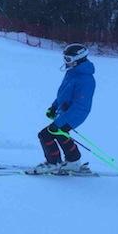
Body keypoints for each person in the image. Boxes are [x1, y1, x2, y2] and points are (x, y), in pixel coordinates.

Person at [34, 43, 96, 173]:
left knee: (45, 135)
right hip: (66, 112)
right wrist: (54, 107)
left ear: (79, 59)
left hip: (76, 114)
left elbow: (80, 105)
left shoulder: (86, 79)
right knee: (61, 134)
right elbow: (64, 94)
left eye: (68, 59)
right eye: (65, 58)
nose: (65, 62)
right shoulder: (72, 73)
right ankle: (73, 161)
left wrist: (61, 120)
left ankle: (53, 163)